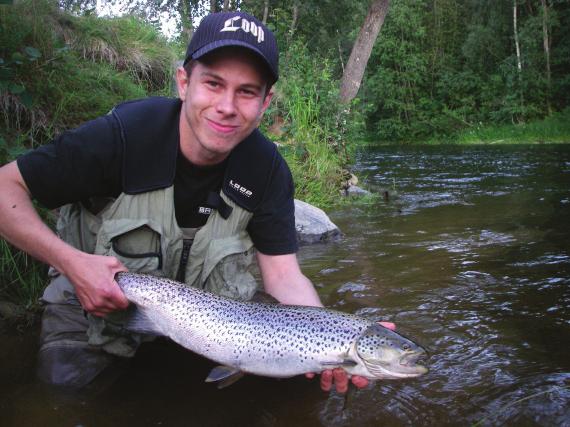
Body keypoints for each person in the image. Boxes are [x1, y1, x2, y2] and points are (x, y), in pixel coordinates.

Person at [0, 11, 392, 392]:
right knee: (67, 392)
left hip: (213, 324)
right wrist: (72, 263)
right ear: (184, 82)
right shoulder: (122, 137)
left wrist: (338, 335)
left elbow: (284, 277)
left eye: (247, 92)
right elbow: (5, 188)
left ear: (265, 102)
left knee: (303, 383)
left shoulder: (266, 171)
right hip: (94, 307)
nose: (227, 106)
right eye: (214, 84)